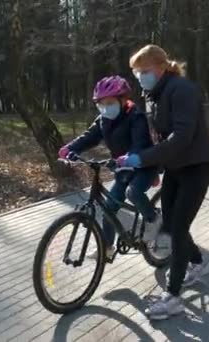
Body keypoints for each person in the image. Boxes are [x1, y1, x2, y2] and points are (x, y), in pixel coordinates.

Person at [119, 44, 209, 320]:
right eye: (137, 72)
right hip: (175, 168)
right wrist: (147, 163)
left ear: (162, 67)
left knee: (179, 228)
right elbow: (157, 135)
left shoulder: (182, 90)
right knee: (172, 225)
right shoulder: (153, 94)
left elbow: (182, 137)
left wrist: (143, 159)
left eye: (145, 71)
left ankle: (173, 298)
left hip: (196, 167)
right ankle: (198, 263)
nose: (140, 77)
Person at [58, 75, 162, 260]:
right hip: (123, 169)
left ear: (122, 100)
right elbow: (89, 137)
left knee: (133, 193)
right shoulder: (103, 119)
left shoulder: (136, 117)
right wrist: (69, 148)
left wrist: (129, 157)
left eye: (110, 102)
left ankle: (154, 220)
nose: (105, 107)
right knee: (109, 208)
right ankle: (107, 248)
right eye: (101, 103)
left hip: (145, 165)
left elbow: (140, 143)